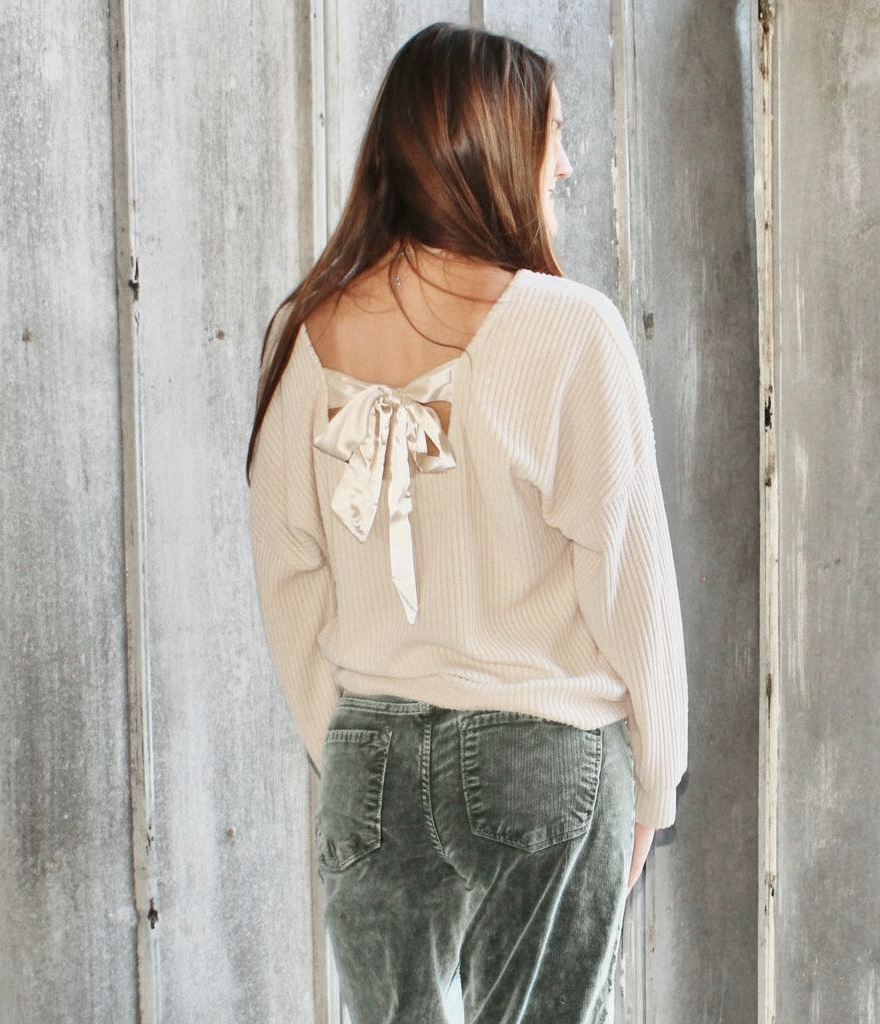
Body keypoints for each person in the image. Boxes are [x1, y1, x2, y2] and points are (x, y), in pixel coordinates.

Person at [247, 22, 687, 1024]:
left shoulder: (307, 331)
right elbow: (628, 582)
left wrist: (352, 739)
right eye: (553, 138)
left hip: (371, 759)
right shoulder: (570, 329)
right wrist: (655, 787)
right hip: (544, 759)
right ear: (490, 146)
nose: (565, 164)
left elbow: (288, 575)